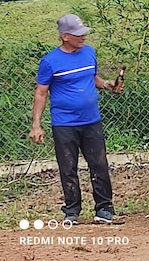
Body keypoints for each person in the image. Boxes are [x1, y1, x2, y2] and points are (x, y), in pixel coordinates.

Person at [29, 14, 124, 225]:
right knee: (68, 167)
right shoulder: (50, 61)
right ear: (64, 36)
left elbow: (92, 78)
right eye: (78, 34)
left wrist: (108, 85)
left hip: (91, 120)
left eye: (83, 33)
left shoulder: (89, 53)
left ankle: (104, 209)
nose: (83, 37)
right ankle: (72, 210)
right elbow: (41, 93)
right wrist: (36, 125)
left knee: (99, 164)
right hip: (64, 123)